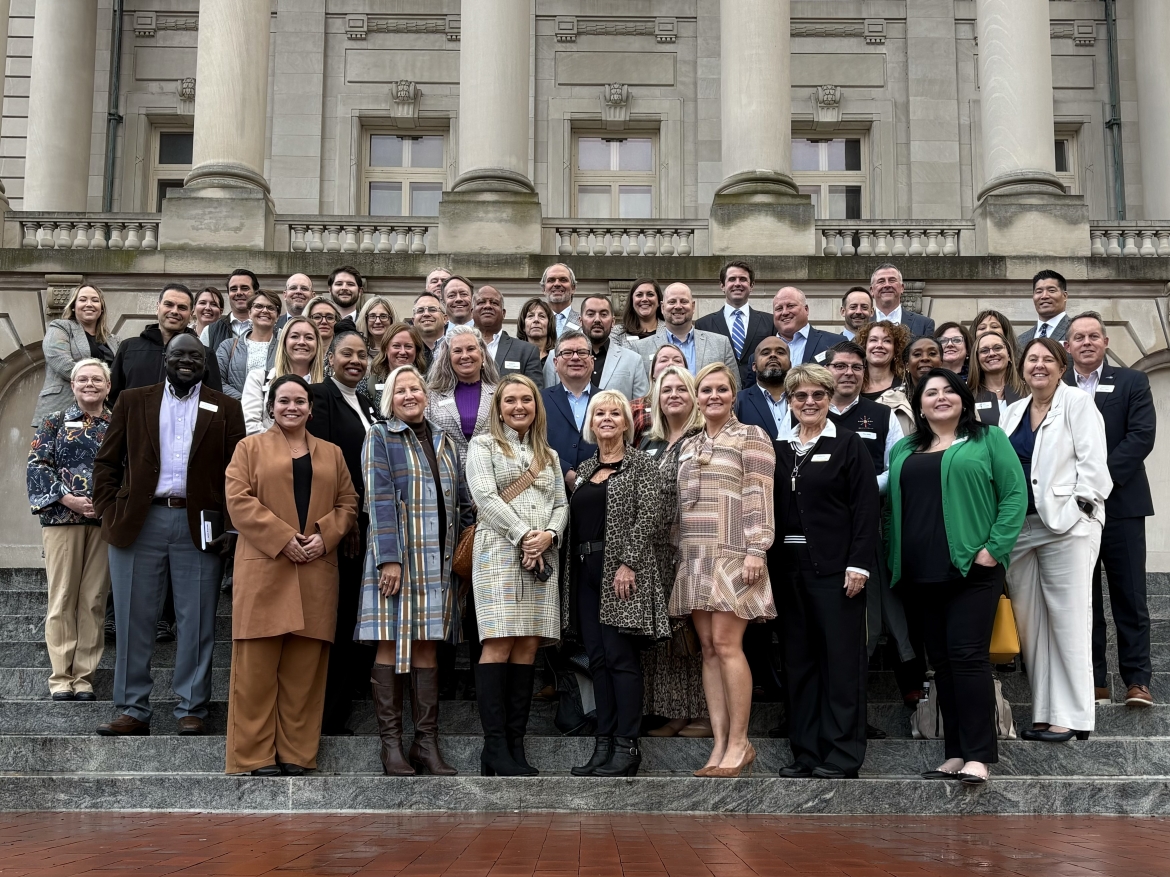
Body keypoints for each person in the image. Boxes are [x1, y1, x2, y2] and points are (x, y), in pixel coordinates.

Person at [92, 335, 245, 736]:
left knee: (196, 620)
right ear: (165, 358)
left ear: (206, 362)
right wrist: (109, 511)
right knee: (131, 618)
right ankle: (132, 708)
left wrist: (230, 524)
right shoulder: (132, 400)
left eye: (195, 356)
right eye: (179, 354)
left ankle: (192, 706)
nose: (186, 361)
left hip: (200, 525)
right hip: (139, 522)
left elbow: (237, 473)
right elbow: (106, 462)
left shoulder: (225, 406)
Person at [885, 369, 1027, 786]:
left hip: (972, 569)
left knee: (968, 657)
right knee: (942, 664)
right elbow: (894, 506)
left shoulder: (988, 439)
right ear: (920, 405)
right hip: (920, 572)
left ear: (964, 399)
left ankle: (980, 755)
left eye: (949, 390)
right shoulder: (905, 449)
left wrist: (994, 548)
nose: (941, 397)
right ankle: (955, 752)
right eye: (931, 392)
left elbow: (1014, 493)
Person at [224, 375, 358, 776]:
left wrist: (325, 535)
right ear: (270, 406)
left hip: (316, 568)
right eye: (284, 400)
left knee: (305, 672)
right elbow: (237, 500)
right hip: (266, 568)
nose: (292, 407)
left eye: (300, 401)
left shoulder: (332, 453)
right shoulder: (248, 448)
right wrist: (284, 538)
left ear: (311, 408)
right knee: (256, 672)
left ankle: (297, 754)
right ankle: (254, 756)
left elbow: (349, 502)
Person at [358, 365, 473, 776]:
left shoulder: (445, 442)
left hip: (437, 562)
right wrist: (389, 557)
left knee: (428, 645)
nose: (410, 395)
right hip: (400, 560)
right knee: (390, 643)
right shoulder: (380, 436)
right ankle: (391, 748)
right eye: (400, 389)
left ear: (426, 394)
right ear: (390, 397)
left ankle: (426, 745)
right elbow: (379, 500)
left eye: (415, 388)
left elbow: (461, 504)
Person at [771, 363, 880, 780]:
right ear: (791, 402)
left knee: (841, 662)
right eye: (800, 396)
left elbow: (866, 509)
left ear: (830, 399)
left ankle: (842, 754)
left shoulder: (849, 444)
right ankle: (806, 752)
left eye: (818, 395)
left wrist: (858, 565)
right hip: (789, 571)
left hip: (836, 572)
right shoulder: (780, 448)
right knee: (799, 662)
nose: (810, 403)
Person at [1000, 337, 1111, 743]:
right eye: (1032, 359)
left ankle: (1074, 718)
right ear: (1022, 368)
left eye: (1048, 359)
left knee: (1068, 619)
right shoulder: (1011, 412)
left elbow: (1094, 465)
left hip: (1067, 525)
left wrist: (1081, 510)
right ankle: (1046, 714)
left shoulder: (1078, 403)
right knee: (1032, 626)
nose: (1040, 365)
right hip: (1021, 530)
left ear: (1062, 368)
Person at [672, 363, 775, 777]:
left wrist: (757, 548)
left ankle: (740, 741)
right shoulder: (688, 444)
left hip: (735, 550)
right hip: (695, 555)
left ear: (734, 395)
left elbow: (759, 492)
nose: (713, 396)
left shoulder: (752, 436)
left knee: (728, 645)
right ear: (697, 397)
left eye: (721, 389)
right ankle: (718, 744)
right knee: (709, 649)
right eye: (705, 390)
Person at [466, 376, 568, 776]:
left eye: (527, 399)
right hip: (499, 551)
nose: (519, 406)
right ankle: (493, 748)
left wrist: (549, 535)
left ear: (536, 405)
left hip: (542, 556)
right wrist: (524, 535)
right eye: (510, 400)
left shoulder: (551, 455)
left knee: (527, 645)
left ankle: (515, 745)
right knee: (498, 641)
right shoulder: (483, 445)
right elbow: (484, 497)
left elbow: (561, 503)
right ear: (498, 407)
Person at [565, 390, 669, 778]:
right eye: (599, 414)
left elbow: (649, 518)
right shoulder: (587, 467)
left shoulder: (641, 464)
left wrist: (629, 563)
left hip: (621, 571)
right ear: (591, 423)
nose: (606, 419)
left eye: (614, 413)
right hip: (584, 571)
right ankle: (603, 745)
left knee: (621, 658)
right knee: (598, 660)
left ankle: (627, 746)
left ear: (627, 423)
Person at [1062, 312, 1158, 707]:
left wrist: (1097, 481)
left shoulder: (1132, 381)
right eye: (1078, 337)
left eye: (1093, 336)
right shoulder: (1057, 385)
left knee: (1130, 595)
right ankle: (1094, 681)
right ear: (1066, 347)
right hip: (1071, 507)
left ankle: (1137, 680)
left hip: (1121, 504)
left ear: (1105, 342)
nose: (1086, 343)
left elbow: (1141, 437)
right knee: (1084, 599)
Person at [308, 329, 381, 735]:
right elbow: (322, 465)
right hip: (342, 525)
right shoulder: (320, 397)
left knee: (356, 615)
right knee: (336, 621)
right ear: (330, 357)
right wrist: (344, 518)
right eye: (346, 354)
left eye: (362, 355)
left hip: (371, 522)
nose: (355, 360)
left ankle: (348, 700)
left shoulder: (368, 403)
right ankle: (328, 716)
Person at [27, 359, 113, 701]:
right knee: (62, 597)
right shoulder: (53, 422)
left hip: (105, 522)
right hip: (63, 520)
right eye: (82, 379)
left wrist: (106, 503)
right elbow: (38, 466)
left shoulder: (120, 423)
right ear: (73, 385)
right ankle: (61, 676)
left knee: (93, 600)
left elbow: (132, 467)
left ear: (108, 386)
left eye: (97, 379)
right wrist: (68, 499)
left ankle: (84, 678)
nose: (89, 384)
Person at [637, 366, 707, 739]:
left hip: (689, 548)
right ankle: (674, 711)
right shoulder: (650, 441)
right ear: (656, 398)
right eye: (667, 390)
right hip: (653, 552)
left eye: (682, 388)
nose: (674, 395)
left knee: (693, 636)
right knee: (667, 638)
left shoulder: (701, 438)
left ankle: (704, 712)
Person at [109, 283, 223, 403]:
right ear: (157, 307)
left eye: (182, 307)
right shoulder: (128, 348)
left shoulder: (205, 354)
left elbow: (213, 401)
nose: (174, 311)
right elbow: (112, 397)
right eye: (169, 304)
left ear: (191, 313)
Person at [33, 284, 121, 428]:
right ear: (73, 306)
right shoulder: (60, 327)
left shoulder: (113, 340)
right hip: (63, 407)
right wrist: (94, 382)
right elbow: (59, 360)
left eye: (95, 300)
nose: (89, 304)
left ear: (102, 308)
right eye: (83, 300)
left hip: (104, 411)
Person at [546, 294, 649, 401]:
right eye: (590, 314)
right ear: (580, 321)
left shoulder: (633, 360)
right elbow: (546, 401)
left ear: (613, 321)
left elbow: (641, 409)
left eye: (603, 314)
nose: (597, 320)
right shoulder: (555, 356)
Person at [425, 324, 500, 467]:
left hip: (491, 477)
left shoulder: (500, 394)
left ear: (482, 354)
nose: (465, 356)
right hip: (446, 479)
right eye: (457, 351)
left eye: (471, 349)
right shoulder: (431, 396)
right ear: (448, 357)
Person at [695, 262, 775, 390]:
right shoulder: (703, 324)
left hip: (759, 393)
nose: (737, 283)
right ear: (722, 285)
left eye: (743, 279)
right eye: (732, 279)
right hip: (720, 393)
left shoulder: (770, 322)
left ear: (752, 285)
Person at [240, 316, 325, 435]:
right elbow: (250, 426)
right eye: (294, 336)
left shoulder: (327, 386)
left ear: (317, 345)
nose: (301, 342)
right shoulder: (258, 379)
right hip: (268, 452)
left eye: (309, 337)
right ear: (284, 342)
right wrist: (292, 446)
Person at [630, 283, 736, 378]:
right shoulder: (639, 348)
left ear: (693, 306)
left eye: (684, 301)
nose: (678, 306)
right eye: (672, 302)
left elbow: (734, 388)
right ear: (662, 307)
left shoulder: (721, 344)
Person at [541, 330, 598, 490]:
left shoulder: (608, 400)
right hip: (549, 491)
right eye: (567, 353)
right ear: (555, 362)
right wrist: (565, 471)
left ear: (592, 361)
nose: (575, 357)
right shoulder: (539, 400)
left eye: (582, 352)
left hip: (598, 492)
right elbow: (532, 442)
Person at [472, 285, 543, 388]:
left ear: (503, 313)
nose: (487, 306)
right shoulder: (459, 349)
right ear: (471, 312)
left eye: (494, 303)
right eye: (481, 302)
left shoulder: (526, 351)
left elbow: (536, 394)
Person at [216, 290, 282, 400]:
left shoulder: (283, 349)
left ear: (278, 316)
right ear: (250, 313)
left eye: (271, 308)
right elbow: (217, 381)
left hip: (273, 413)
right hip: (236, 412)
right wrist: (244, 402)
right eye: (259, 306)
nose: (265, 310)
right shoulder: (228, 346)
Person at [855, 321, 913, 434]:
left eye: (887, 341)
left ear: (895, 349)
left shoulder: (908, 384)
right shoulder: (852, 384)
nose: (879, 345)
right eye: (873, 340)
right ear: (864, 346)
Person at [733, 336, 792, 441]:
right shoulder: (738, 401)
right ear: (754, 366)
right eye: (765, 353)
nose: (773, 355)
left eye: (780, 352)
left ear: (790, 365)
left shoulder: (805, 398)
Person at [772, 287, 846, 366]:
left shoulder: (836, 343)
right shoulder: (762, 347)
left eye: (790, 306)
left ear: (806, 309)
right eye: (779, 308)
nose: (784, 312)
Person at [367, 322, 429, 413]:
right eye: (396, 346)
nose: (403, 352)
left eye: (408, 346)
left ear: (416, 350)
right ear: (386, 349)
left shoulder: (429, 384)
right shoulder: (368, 386)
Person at [630, 345, 686, 444]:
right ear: (653, 373)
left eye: (677, 360)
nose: (671, 364)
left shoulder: (698, 406)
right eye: (664, 360)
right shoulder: (633, 408)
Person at [968, 330, 1025, 427]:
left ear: (1009, 355)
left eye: (997, 348)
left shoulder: (1029, 390)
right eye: (984, 350)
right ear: (977, 359)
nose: (991, 353)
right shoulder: (967, 395)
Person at [868, 264, 935, 336]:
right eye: (881, 281)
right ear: (872, 290)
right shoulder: (862, 323)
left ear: (902, 288)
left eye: (892, 280)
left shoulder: (924, 324)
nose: (887, 285)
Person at [202, 269, 259, 352]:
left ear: (256, 293)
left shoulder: (270, 329)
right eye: (234, 289)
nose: (239, 293)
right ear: (228, 294)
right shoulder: (210, 331)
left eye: (244, 288)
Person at [1018, 270, 1070, 344]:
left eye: (1051, 290)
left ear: (1064, 296)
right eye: (1039, 292)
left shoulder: (1078, 331)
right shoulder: (1020, 341)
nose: (1044, 296)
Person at [614, 278, 663, 345]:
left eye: (650, 294)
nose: (644, 299)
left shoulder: (670, 330)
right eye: (639, 295)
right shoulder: (617, 332)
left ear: (659, 301)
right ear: (632, 301)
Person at [542, 263, 580, 338]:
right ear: (543, 289)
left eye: (563, 280)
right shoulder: (535, 322)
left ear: (573, 288)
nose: (557, 284)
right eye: (551, 280)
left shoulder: (584, 321)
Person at [516, 297, 555, 367]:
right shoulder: (514, 355)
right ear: (523, 326)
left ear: (549, 325)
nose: (536, 320)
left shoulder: (557, 356)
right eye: (530, 316)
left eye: (542, 316)